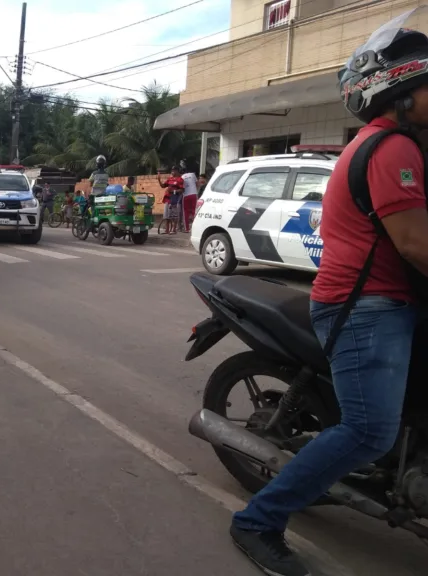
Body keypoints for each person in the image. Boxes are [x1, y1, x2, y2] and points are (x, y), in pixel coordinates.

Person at [229, 23, 428, 576]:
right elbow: (415, 243)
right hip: (367, 306)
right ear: (400, 92)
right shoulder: (392, 149)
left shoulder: (402, 146)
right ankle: (257, 521)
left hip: (391, 300)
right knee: (368, 430)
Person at [158, 167, 184, 234]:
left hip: (174, 198)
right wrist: (159, 180)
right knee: (166, 215)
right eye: (171, 171)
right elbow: (163, 186)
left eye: (173, 171)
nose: (172, 172)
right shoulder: (170, 179)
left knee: (174, 215)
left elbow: (182, 190)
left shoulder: (180, 179)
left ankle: (174, 229)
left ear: (177, 171)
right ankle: (167, 229)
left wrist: (174, 191)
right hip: (167, 198)